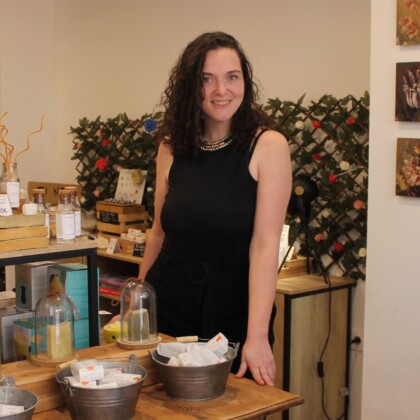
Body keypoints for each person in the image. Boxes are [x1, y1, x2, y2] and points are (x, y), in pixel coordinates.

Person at [139, 31, 292, 386]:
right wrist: (138, 305)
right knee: (159, 404)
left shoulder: (268, 146)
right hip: (168, 303)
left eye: (232, 77)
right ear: (191, 87)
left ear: (245, 83)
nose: (221, 90)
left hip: (234, 311)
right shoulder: (171, 146)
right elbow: (158, 232)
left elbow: (265, 245)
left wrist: (257, 336)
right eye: (207, 79)